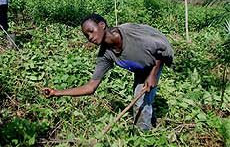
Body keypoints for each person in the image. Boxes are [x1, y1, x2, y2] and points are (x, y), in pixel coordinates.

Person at [42, 14, 174, 130]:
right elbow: (90, 87)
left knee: (140, 101)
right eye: (86, 35)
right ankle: (150, 120)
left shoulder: (131, 34)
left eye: (91, 31)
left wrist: (153, 75)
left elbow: (162, 49)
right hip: (140, 66)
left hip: (156, 60)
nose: (90, 37)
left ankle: (143, 136)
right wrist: (57, 92)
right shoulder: (105, 55)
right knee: (141, 96)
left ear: (102, 25)